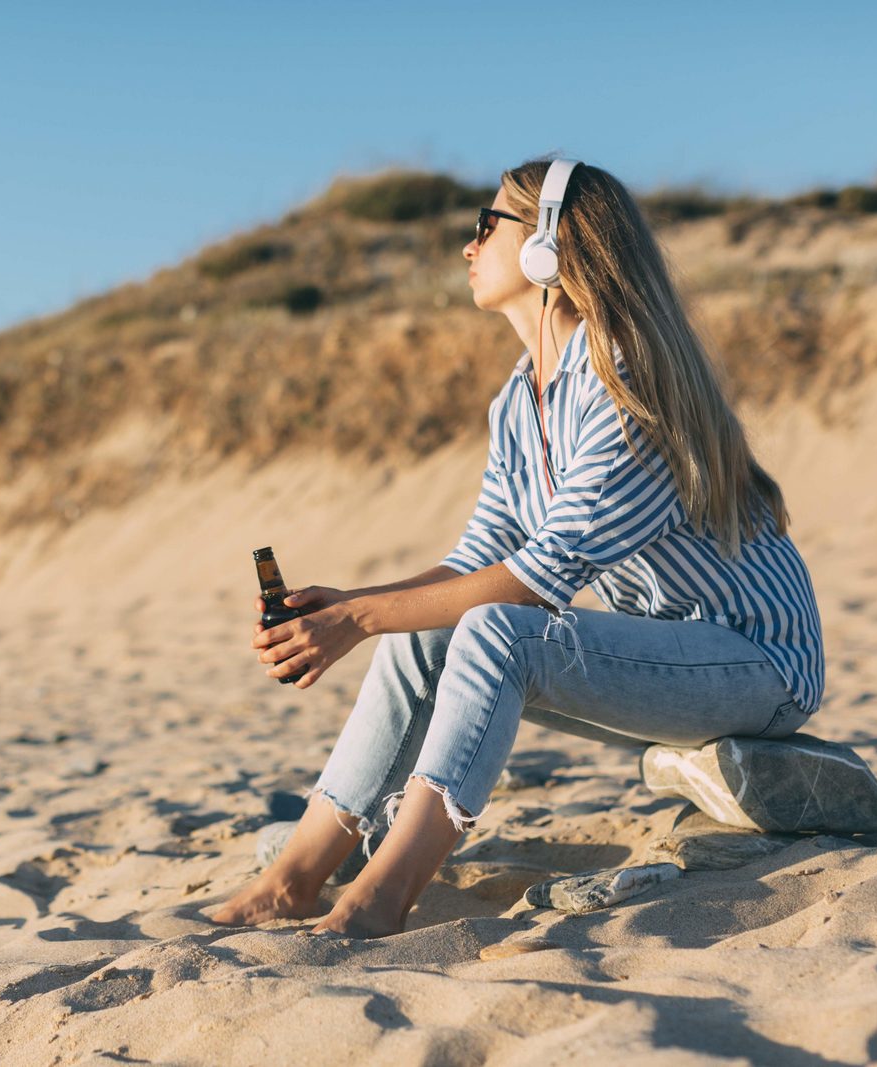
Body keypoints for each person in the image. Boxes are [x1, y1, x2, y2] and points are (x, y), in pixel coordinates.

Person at [203, 157, 824, 939]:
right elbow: (476, 562)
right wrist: (351, 606)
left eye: (483, 225)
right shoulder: (518, 399)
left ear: (548, 249)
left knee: (500, 631)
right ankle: (291, 881)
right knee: (422, 625)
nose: (466, 247)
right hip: (671, 656)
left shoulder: (623, 380)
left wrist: (358, 622)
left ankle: (384, 895)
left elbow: (536, 582)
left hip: (758, 661)